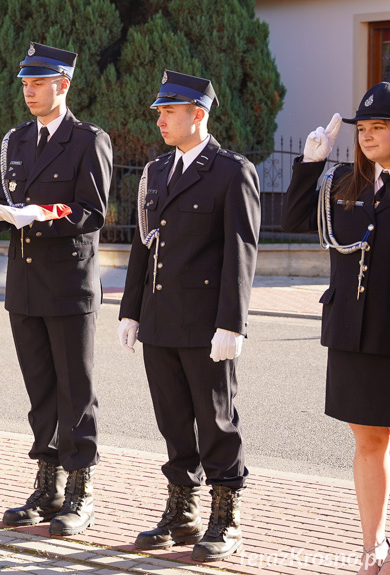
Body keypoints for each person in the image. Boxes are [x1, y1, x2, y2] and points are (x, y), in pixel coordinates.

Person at [117, 70, 260, 561]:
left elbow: (241, 252)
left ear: (198, 114)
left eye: (168, 111)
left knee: (216, 420)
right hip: (159, 320)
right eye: (159, 111)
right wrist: (130, 310)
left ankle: (225, 515)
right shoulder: (156, 172)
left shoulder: (230, 171)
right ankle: (182, 511)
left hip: (206, 324)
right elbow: (142, 245)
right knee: (173, 421)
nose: (159, 119)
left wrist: (232, 324)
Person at [0, 42, 111, 537]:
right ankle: (47, 484)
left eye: (38, 83)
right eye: (26, 84)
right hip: (26, 286)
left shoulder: (86, 140)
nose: (29, 92)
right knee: (40, 392)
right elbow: (6, 201)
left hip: (69, 284)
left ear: (64, 84)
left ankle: (81, 491)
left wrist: (40, 215)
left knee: (75, 391)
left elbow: (92, 211)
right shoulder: (16, 140)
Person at [282, 82, 390, 575]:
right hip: (355, 333)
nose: (366, 136)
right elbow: (295, 218)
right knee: (368, 442)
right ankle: (373, 547)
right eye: (362, 128)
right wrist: (310, 164)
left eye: (379, 127)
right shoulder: (344, 183)